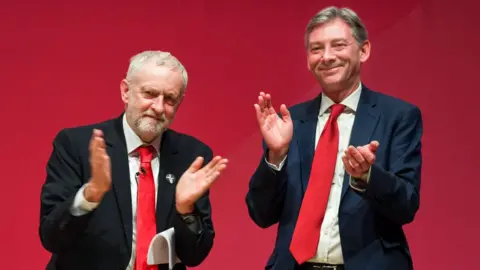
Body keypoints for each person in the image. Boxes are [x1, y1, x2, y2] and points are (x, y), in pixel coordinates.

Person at [246, 6, 422, 270]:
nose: (326, 57)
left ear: (363, 51)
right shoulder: (289, 122)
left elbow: (406, 205)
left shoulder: (398, 116)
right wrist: (275, 156)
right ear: (308, 59)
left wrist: (367, 176)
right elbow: (261, 214)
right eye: (316, 49)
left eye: (338, 45)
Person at [39, 50, 228, 270]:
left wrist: (185, 210)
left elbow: (195, 255)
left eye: (169, 99)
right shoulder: (76, 145)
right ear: (125, 91)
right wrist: (90, 195)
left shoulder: (192, 155)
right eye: (149, 93)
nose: (158, 107)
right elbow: (51, 236)